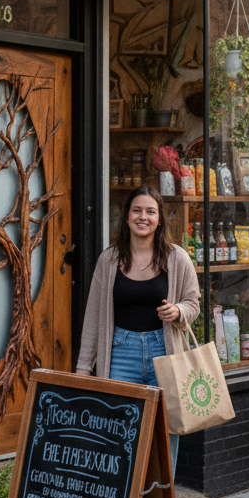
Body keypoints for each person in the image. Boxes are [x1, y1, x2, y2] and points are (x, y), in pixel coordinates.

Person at [75, 184, 201, 475]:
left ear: (159, 219)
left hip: (164, 353)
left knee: (164, 432)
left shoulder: (177, 258)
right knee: (116, 433)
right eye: (137, 210)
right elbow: (93, 316)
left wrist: (178, 311)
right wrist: (84, 368)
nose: (143, 217)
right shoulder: (108, 260)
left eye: (150, 211)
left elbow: (193, 303)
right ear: (127, 216)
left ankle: (161, 497)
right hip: (120, 354)